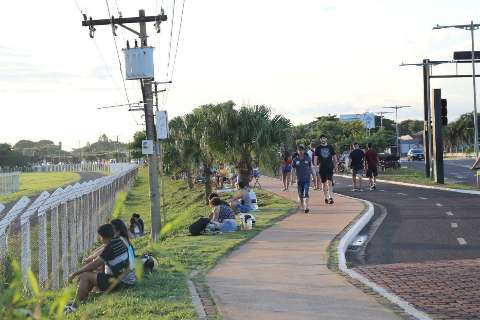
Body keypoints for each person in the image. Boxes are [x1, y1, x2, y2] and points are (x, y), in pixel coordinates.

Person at [65, 224, 135, 313]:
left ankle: (74, 307)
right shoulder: (118, 240)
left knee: (85, 275)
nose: (100, 239)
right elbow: (97, 260)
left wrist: (75, 273)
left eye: (100, 237)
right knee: (90, 273)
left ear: (103, 237)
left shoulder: (110, 247)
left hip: (121, 283)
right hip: (127, 281)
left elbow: (94, 264)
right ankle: (80, 299)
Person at [315, 135, 338, 204]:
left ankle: (331, 197)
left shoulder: (330, 147)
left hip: (329, 167)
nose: (323, 139)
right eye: (321, 138)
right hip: (322, 168)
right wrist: (316, 167)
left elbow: (334, 157)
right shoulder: (318, 148)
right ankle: (326, 197)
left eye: (324, 138)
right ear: (320, 140)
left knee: (330, 182)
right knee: (324, 183)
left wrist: (336, 166)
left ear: (326, 139)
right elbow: (315, 158)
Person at [292, 144, 312, 213]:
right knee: (300, 194)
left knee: (305, 193)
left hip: (307, 179)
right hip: (299, 180)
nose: (300, 151)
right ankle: (302, 205)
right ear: (297, 151)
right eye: (299, 150)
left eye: (302, 149)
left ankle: (306, 207)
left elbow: (310, 167)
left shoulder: (307, 158)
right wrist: (293, 178)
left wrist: (314, 177)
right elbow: (293, 169)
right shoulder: (295, 159)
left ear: (304, 150)